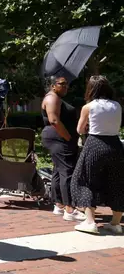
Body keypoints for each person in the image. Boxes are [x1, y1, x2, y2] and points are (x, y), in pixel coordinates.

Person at [71, 76, 123, 234]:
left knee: (84, 180)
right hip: (115, 145)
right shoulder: (117, 105)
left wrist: (87, 125)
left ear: (91, 89)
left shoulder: (88, 106)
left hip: (95, 144)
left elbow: (80, 130)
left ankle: (90, 221)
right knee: (117, 182)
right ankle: (115, 223)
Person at [41, 75, 85, 221]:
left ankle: (59, 205)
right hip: (59, 139)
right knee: (67, 171)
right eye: (62, 84)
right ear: (53, 85)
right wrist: (68, 137)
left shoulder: (56, 98)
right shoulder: (52, 98)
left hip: (57, 139)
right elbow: (54, 120)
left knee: (59, 172)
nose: (66, 87)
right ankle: (69, 209)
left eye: (67, 85)